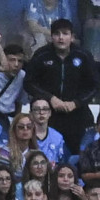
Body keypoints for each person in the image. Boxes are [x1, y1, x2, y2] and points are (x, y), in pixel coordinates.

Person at [25, 19, 98, 154]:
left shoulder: (83, 55)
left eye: (65, 34)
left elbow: (94, 86)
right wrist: (50, 98)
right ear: (51, 36)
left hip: (78, 116)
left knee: (80, 157)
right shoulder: (41, 55)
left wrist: (76, 103)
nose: (61, 38)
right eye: (57, 34)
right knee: (48, 156)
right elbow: (29, 83)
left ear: (72, 37)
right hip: (49, 116)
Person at [0, 43, 28, 119]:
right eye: (12, 60)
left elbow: (20, 101)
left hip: (9, 116)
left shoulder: (22, 76)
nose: (16, 64)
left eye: (20, 61)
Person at [28, 97, 67, 167]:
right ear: (31, 114)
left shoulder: (57, 137)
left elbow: (61, 163)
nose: (41, 113)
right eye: (37, 109)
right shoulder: (25, 134)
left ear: (50, 113)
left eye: (45, 109)